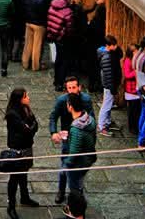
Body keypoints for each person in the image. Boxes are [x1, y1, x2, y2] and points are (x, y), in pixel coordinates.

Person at [48, 76, 94, 204]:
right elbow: (53, 117)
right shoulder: (62, 100)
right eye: (69, 88)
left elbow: (91, 118)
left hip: (81, 137)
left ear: (79, 87)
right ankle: (61, 191)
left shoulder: (86, 100)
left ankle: (77, 192)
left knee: (78, 167)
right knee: (65, 166)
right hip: (67, 139)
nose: (72, 90)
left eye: (74, 87)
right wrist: (53, 132)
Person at [3, 87, 40, 219]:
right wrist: (31, 127)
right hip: (17, 150)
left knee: (24, 174)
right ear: (19, 99)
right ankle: (11, 206)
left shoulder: (26, 108)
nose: (28, 98)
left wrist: (31, 127)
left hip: (27, 147)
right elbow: (28, 130)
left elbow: (35, 124)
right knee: (14, 178)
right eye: (25, 96)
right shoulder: (13, 114)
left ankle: (25, 197)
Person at [54, 92, 96, 196]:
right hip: (88, 158)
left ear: (70, 106)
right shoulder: (89, 119)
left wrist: (66, 165)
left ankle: (76, 209)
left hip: (78, 163)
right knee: (79, 182)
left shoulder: (76, 128)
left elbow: (74, 152)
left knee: (75, 187)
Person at [20, 0, 48, 71]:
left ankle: (25, 63)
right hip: (39, 24)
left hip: (28, 22)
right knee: (37, 46)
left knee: (27, 44)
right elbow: (43, 13)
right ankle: (35, 66)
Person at [97, 34, 122, 134]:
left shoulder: (109, 54)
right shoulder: (107, 57)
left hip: (109, 84)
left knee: (108, 103)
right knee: (106, 105)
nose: (116, 46)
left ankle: (106, 122)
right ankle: (102, 125)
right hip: (109, 84)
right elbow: (109, 74)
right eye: (114, 45)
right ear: (109, 45)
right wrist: (112, 87)